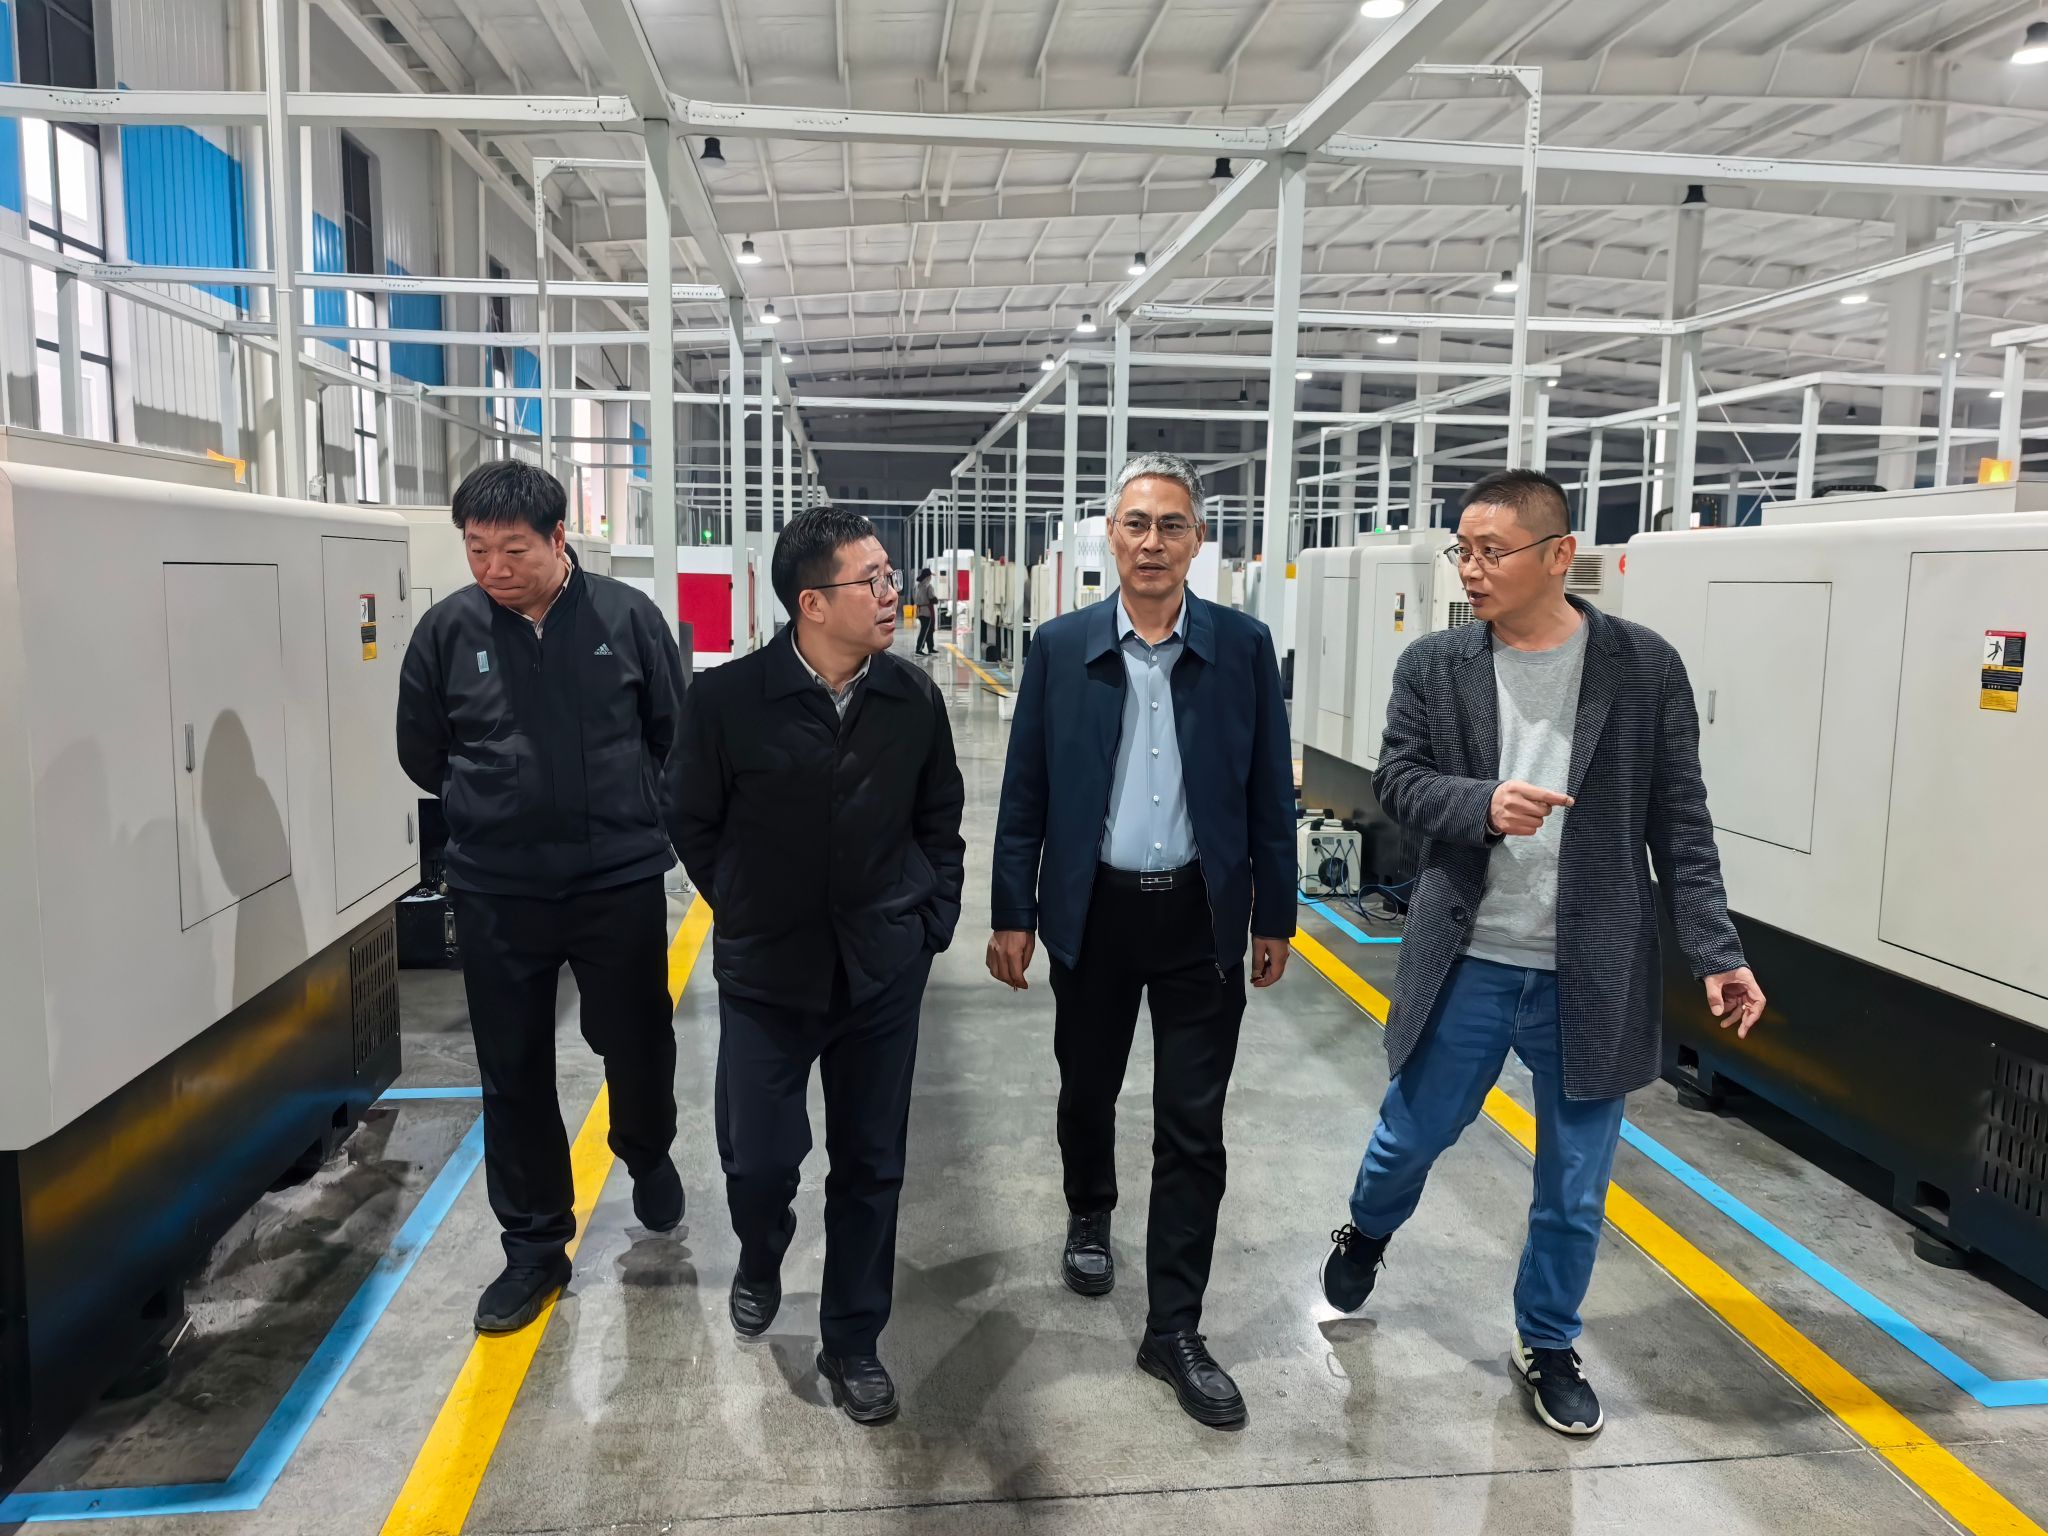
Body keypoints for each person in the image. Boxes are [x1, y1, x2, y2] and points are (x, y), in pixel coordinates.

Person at [1317, 468, 1767, 1437]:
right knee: (1408, 1137)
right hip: (1470, 956)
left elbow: (1680, 822)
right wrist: (1480, 804)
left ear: (1559, 555)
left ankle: (1547, 1342)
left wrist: (1713, 948)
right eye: (1462, 550)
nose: (1470, 569)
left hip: (1591, 971)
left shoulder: (1642, 669)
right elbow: (1397, 781)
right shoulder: (1434, 665)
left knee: (1573, 1187)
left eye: (1491, 551)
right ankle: (1367, 1227)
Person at [988, 451, 1295, 1431]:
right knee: (1086, 1088)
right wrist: (1012, 911)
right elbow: (1025, 791)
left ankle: (1174, 1329)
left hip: (1200, 917)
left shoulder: (1242, 647)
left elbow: (1267, 794)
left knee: (1192, 1126)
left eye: (1170, 525)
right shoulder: (1060, 647)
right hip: (1094, 910)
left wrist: (1274, 915)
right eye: (1135, 524)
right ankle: (1090, 1206)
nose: (1152, 542)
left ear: (1198, 541)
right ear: (1110, 538)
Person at [674, 506, 964, 1426]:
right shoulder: (727, 701)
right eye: (871, 581)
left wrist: (929, 921)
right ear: (811, 603)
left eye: (890, 577)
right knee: (759, 1160)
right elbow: (691, 819)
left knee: (871, 1164)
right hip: (769, 973)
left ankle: (853, 1340)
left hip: (881, 970)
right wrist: (745, 903)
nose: (891, 595)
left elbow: (940, 820)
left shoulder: (912, 699)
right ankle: (761, 1253)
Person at [396, 459, 690, 1335]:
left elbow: (673, 734)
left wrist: (637, 817)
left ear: (559, 539)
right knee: (512, 1063)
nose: (494, 567)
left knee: (636, 1036)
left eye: (513, 549)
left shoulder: (627, 619)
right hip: (498, 887)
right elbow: (422, 752)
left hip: (615, 877)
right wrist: (491, 806)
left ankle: (646, 1149)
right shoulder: (447, 632)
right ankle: (533, 1246)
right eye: (477, 549)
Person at [913, 568, 939, 656]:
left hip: (919, 610)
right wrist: (935, 600)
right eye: (930, 576)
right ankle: (919, 649)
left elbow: (914, 598)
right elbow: (932, 598)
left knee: (928, 630)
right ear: (928, 577)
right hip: (927, 611)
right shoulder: (928, 586)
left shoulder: (917, 586)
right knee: (925, 631)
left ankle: (931, 648)